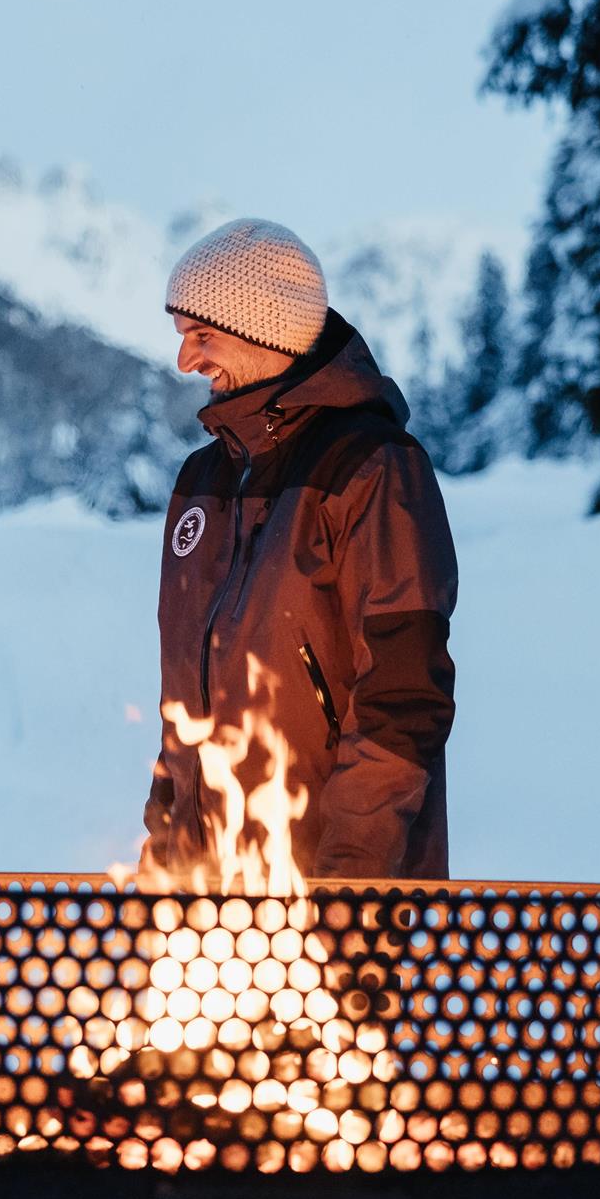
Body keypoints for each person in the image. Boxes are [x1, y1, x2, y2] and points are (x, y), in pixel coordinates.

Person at [140, 218, 459, 884]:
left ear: (267, 331)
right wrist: (163, 864)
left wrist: (349, 884)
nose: (186, 362)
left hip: (329, 890)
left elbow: (403, 698)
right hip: (209, 894)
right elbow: (185, 708)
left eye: (203, 335)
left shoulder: (371, 468)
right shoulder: (203, 481)